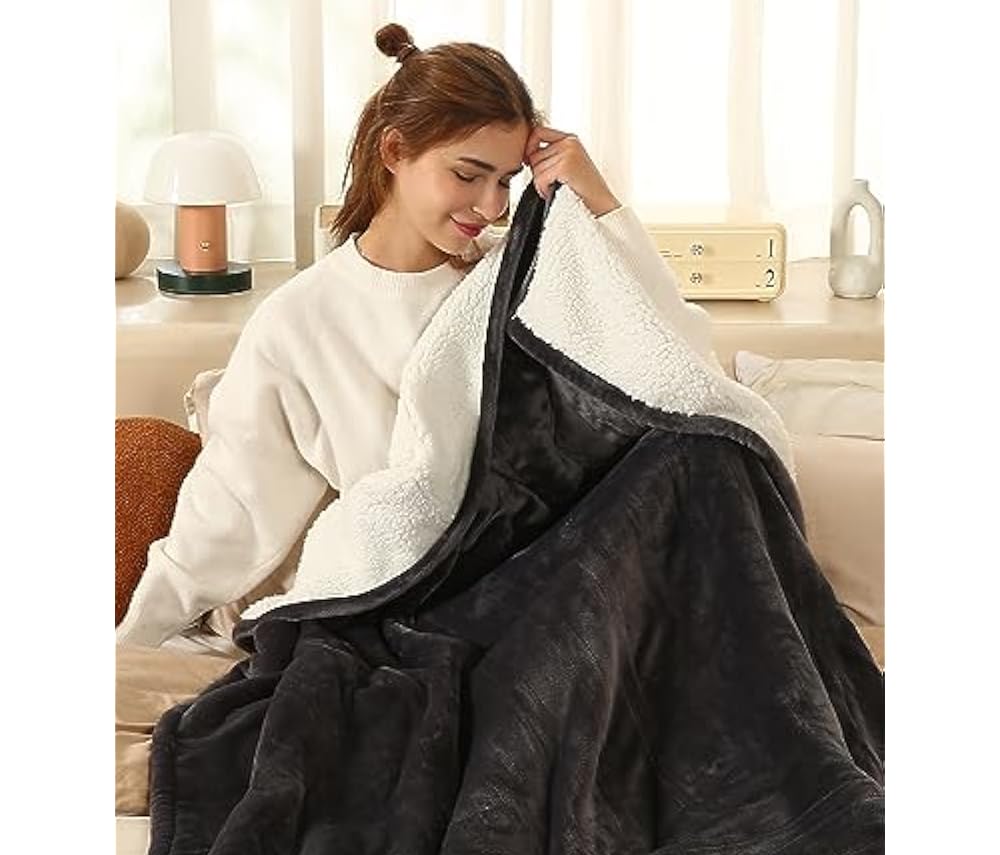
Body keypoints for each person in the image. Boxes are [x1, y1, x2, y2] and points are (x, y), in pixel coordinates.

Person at [115, 22, 722, 651]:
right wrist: (128, 649)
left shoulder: (519, 277)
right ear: (394, 151)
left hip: (553, 577)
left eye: (506, 180)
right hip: (421, 599)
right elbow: (231, 512)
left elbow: (677, 366)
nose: (491, 206)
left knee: (707, 464)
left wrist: (598, 200)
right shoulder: (302, 321)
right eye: (468, 174)